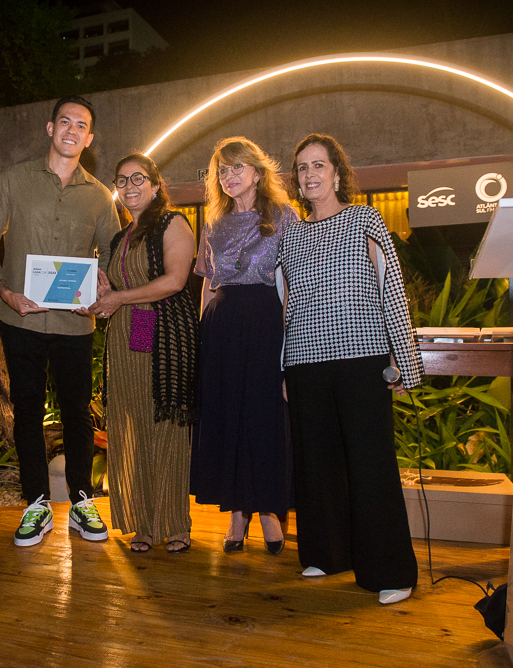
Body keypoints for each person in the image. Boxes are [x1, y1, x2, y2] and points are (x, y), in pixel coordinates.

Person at [277, 133, 424, 605]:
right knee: (316, 465)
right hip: (305, 362)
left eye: (319, 165)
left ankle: (390, 571)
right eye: (302, 168)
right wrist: (283, 368)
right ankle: (328, 553)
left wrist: (403, 360)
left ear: (337, 173)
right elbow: (286, 307)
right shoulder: (291, 234)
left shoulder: (365, 219)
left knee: (370, 464)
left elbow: (391, 290)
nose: (310, 174)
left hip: (362, 358)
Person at [0, 96, 121, 547]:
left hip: (75, 323)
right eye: (65, 122)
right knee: (27, 412)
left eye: (81, 126)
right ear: (50, 127)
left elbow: (112, 251)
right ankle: (36, 503)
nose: (72, 130)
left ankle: (81, 502)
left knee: (77, 414)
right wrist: (4, 289)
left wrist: (101, 283)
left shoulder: (99, 196)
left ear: (89, 138)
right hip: (20, 319)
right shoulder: (14, 180)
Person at [190, 137, 299, 555]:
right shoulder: (213, 223)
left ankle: (268, 509)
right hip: (222, 326)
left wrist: (289, 342)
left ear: (257, 172)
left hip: (266, 322)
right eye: (222, 170)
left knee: (263, 417)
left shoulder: (284, 216)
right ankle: (237, 512)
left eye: (237, 167)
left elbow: (291, 284)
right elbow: (207, 283)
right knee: (227, 417)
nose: (229, 176)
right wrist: (202, 337)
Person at [89, 154, 198, 554]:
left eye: (138, 178)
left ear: (155, 185)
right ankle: (145, 524)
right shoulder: (121, 237)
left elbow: (175, 281)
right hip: (130, 332)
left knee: (165, 425)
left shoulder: (173, 223)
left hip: (166, 332)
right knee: (134, 424)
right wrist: (102, 296)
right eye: (122, 180)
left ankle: (176, 523)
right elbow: (119, 290)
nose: (129, 186)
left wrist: (119, 297)